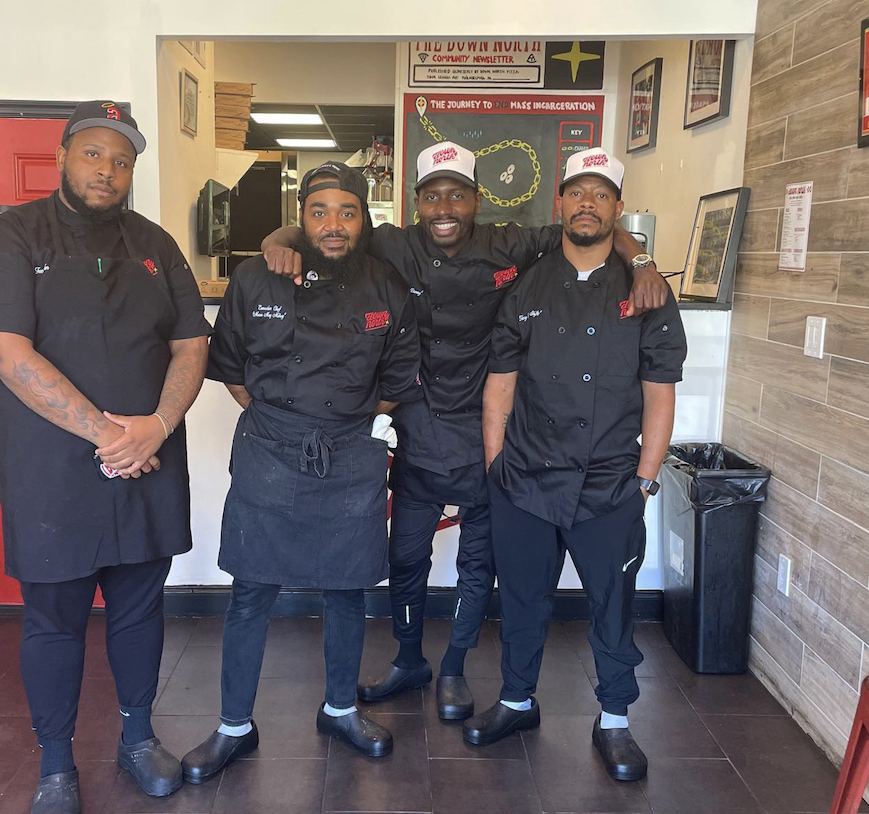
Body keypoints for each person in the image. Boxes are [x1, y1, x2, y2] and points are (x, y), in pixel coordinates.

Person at [261, 142, 668, 721]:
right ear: (416, 203)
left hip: (485, 427)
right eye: (432, 196)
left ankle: (453, 664)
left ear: (476, 200)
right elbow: (324, 229)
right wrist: (278, 241)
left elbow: (593, 229)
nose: (444, 207)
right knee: (405, 556)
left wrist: (644, 261)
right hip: (417, 423)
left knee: (481, 561)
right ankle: (408, 659)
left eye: (457, 194)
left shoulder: (510, 243)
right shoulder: (391, 241)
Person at [0, 101, 211, 814]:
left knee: (139, 609)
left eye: (123, 159)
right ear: (64, 155)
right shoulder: (14, 235)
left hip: (149, 462)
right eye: (94, 153)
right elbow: (5, 351)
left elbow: (191, 344)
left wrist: (157, 427)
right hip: (54, 473)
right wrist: (111, 435)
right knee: (54, 620)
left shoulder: (155, 243)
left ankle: (137, 739)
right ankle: (55, 765)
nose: (108, 169)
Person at [180, 161, 421, 783]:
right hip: (269, 448)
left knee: (348, 588)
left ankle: (340, 708)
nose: (334, 225)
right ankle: (235, 724)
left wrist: (341, 427)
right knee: (251, 590)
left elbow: (396, 380)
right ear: (301, 216)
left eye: (347, 211)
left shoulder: (388, 286)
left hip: (351, 453)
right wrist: (282, 424)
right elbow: (230, 366)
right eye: (320, 211)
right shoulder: (258, 278)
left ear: (364, 219)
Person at [470, 148, 687, 782]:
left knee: (613, 604)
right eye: (577, 192)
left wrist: (644, 481)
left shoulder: (646, 292)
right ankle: (516, 700)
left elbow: (659, 393)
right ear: (558, 202)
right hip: (526, 479)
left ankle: (615, 718)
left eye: (601, 193)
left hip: (610, 484)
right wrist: (495, 468)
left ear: (617, 209)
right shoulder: (527, 286)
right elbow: (500, 385)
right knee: (522, 599)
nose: (587, 202)